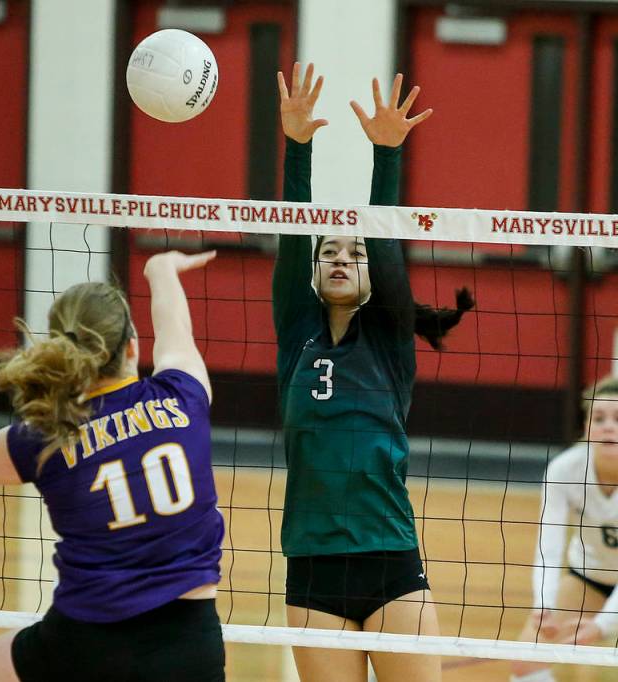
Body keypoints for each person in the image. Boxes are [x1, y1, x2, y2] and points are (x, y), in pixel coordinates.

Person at [0, 251, 226, 681]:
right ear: (132, 348)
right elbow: (175, 330)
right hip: (191, 647)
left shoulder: (43, 435)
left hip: (82, 645)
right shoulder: (184, 397)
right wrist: (161, 270)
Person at [273, 63, 467, 682]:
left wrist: (386, 157)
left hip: (391, 563)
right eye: (328, 249)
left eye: (353, 252)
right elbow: (289, 235)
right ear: (313, 268)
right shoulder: (297, 333)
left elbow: (384, 244)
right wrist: (296, 146)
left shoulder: (387, 338)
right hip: (312, 568)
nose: (339, 256)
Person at [511, 377, 618, 682]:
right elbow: (549, 546)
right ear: (585, 428)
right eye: (598, 418)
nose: (608, 427)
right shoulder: (564, 470)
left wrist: (603, 625)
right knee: (526, 662)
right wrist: (543, 604)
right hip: (588, 578)